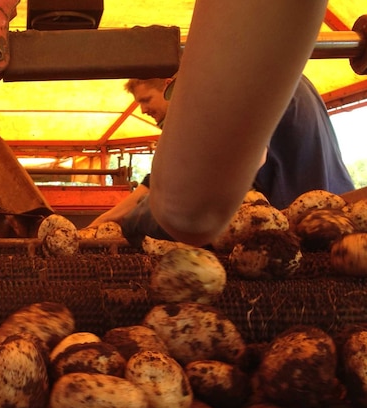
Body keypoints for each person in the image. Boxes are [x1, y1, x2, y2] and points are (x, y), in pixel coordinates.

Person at [90, 13, 353, 241]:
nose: (144, 110)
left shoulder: (244, 83)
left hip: (317, 226)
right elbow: (158, 182)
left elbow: (245, 163)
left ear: (172, 83)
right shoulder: (283, 73)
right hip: (340, 211)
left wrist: (143, 221)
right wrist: (109, 220)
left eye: (146, 100)